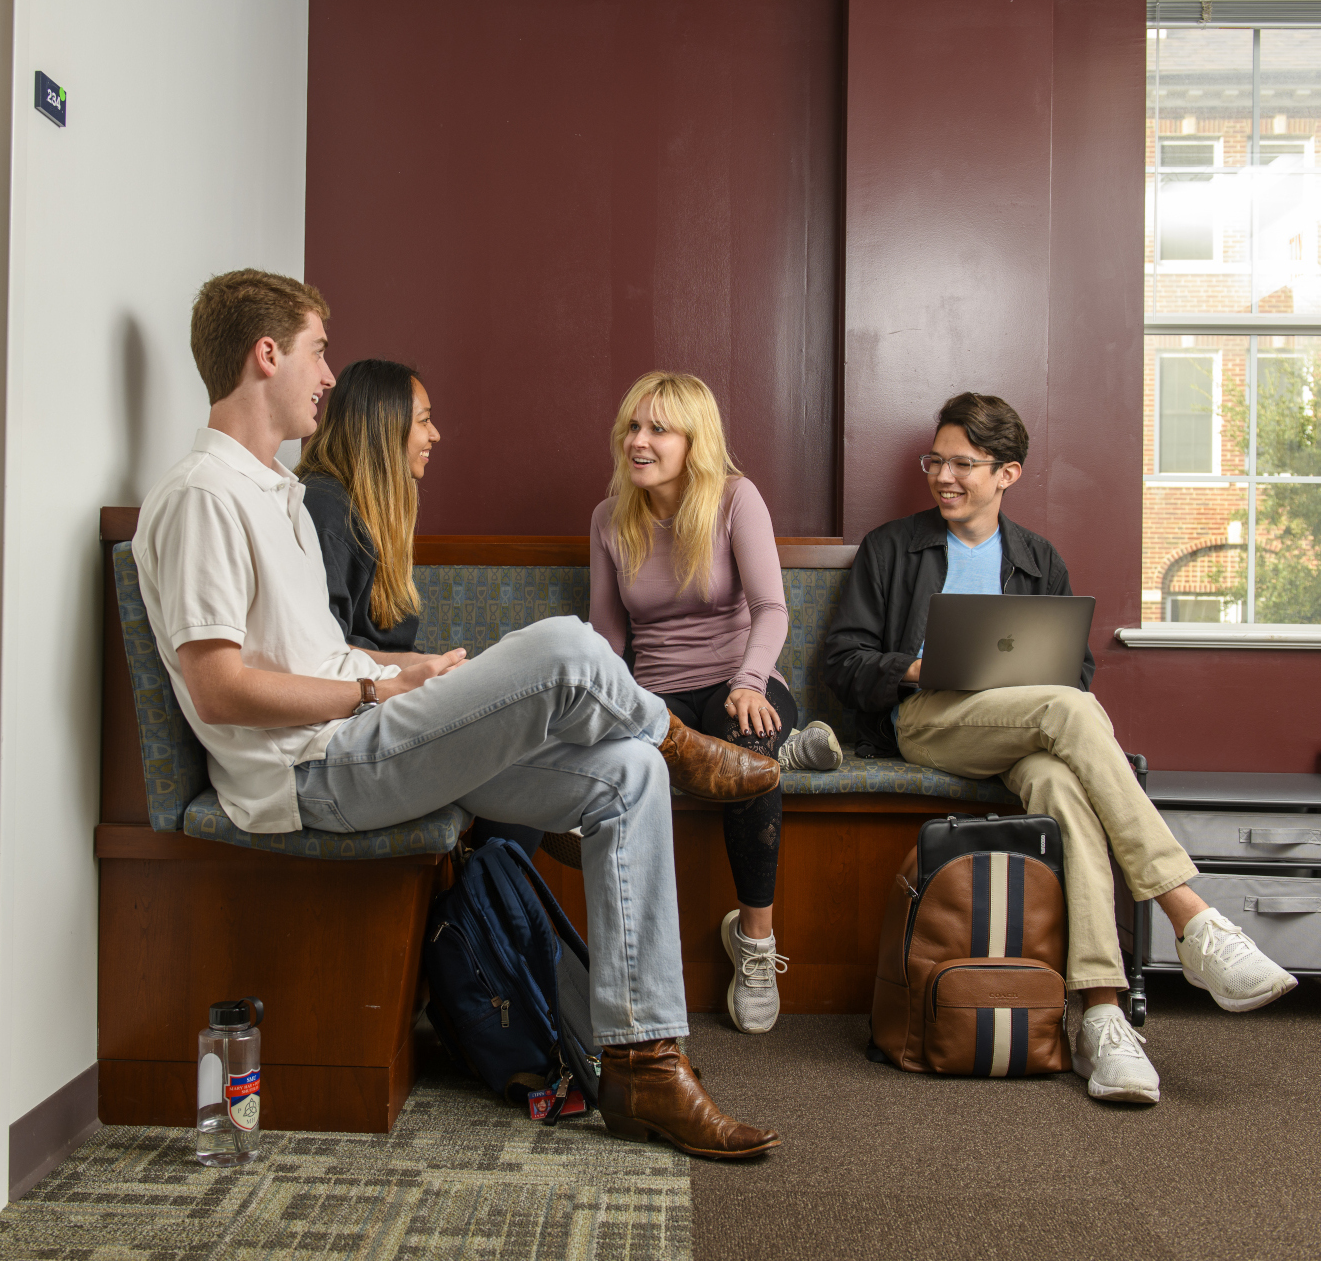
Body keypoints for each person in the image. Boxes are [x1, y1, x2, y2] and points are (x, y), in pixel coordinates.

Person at [133, 268, 783, 1158]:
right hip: (309, 771)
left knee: (624, 778)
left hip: (354, 735)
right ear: (267, 354)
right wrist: (375, 691)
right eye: (320, 352)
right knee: (564, 647)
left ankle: (643, 1063)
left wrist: (412, 668)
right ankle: (679, 738)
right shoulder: (204, 494)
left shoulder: (276, 492)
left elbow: (317, 652)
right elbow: (220, 688)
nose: (329, 375)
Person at [824, 391, 1297, 1104]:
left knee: (1059, 784)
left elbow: (1073, 669)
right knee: (1067, 709)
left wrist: (1023, 681)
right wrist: (922, 665)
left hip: (1025, 727)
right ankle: (1189, 916)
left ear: (1005, 473)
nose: (942, 476)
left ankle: (1099, 1015)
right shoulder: (892, 547)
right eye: (935, 461)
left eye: (962, 464)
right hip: (926, 718)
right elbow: (843, 660)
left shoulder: (1037, 558)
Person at [590, 372, 840, 1035]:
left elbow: (770, 608)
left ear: (692, 442)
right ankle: (797, 747)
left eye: (657, 429)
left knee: (746, 752)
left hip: (740, 685)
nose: (637, 442)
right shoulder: (609, 517)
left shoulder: (734, 498)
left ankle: (754, 939)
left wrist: (750, 681)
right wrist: (596, 699)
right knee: (630, 761)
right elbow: (608, 636)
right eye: (632, 428)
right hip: (657, 694)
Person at [298, 358, 543, 859]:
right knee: (544, 678)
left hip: (381, 703)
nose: (436, 434)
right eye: (424, 420)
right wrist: (428, 672)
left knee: (523, 718)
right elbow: (321, 653)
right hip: (348, 727)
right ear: (384, 426)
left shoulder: (365, 506)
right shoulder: (325, 508)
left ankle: (493, 884)